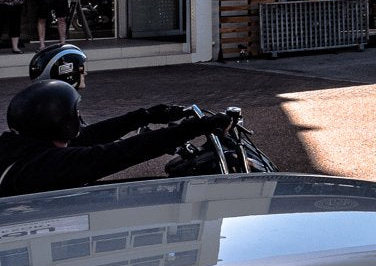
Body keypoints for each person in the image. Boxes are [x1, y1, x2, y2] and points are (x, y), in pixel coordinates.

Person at [0, 79, 231, 197]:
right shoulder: (43, 166)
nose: (78, 118)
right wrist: (195, 128)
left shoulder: (25, 146)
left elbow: (90, 137)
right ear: (59, 122)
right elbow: (116, 154)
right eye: (74, 112)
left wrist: (146, 115)